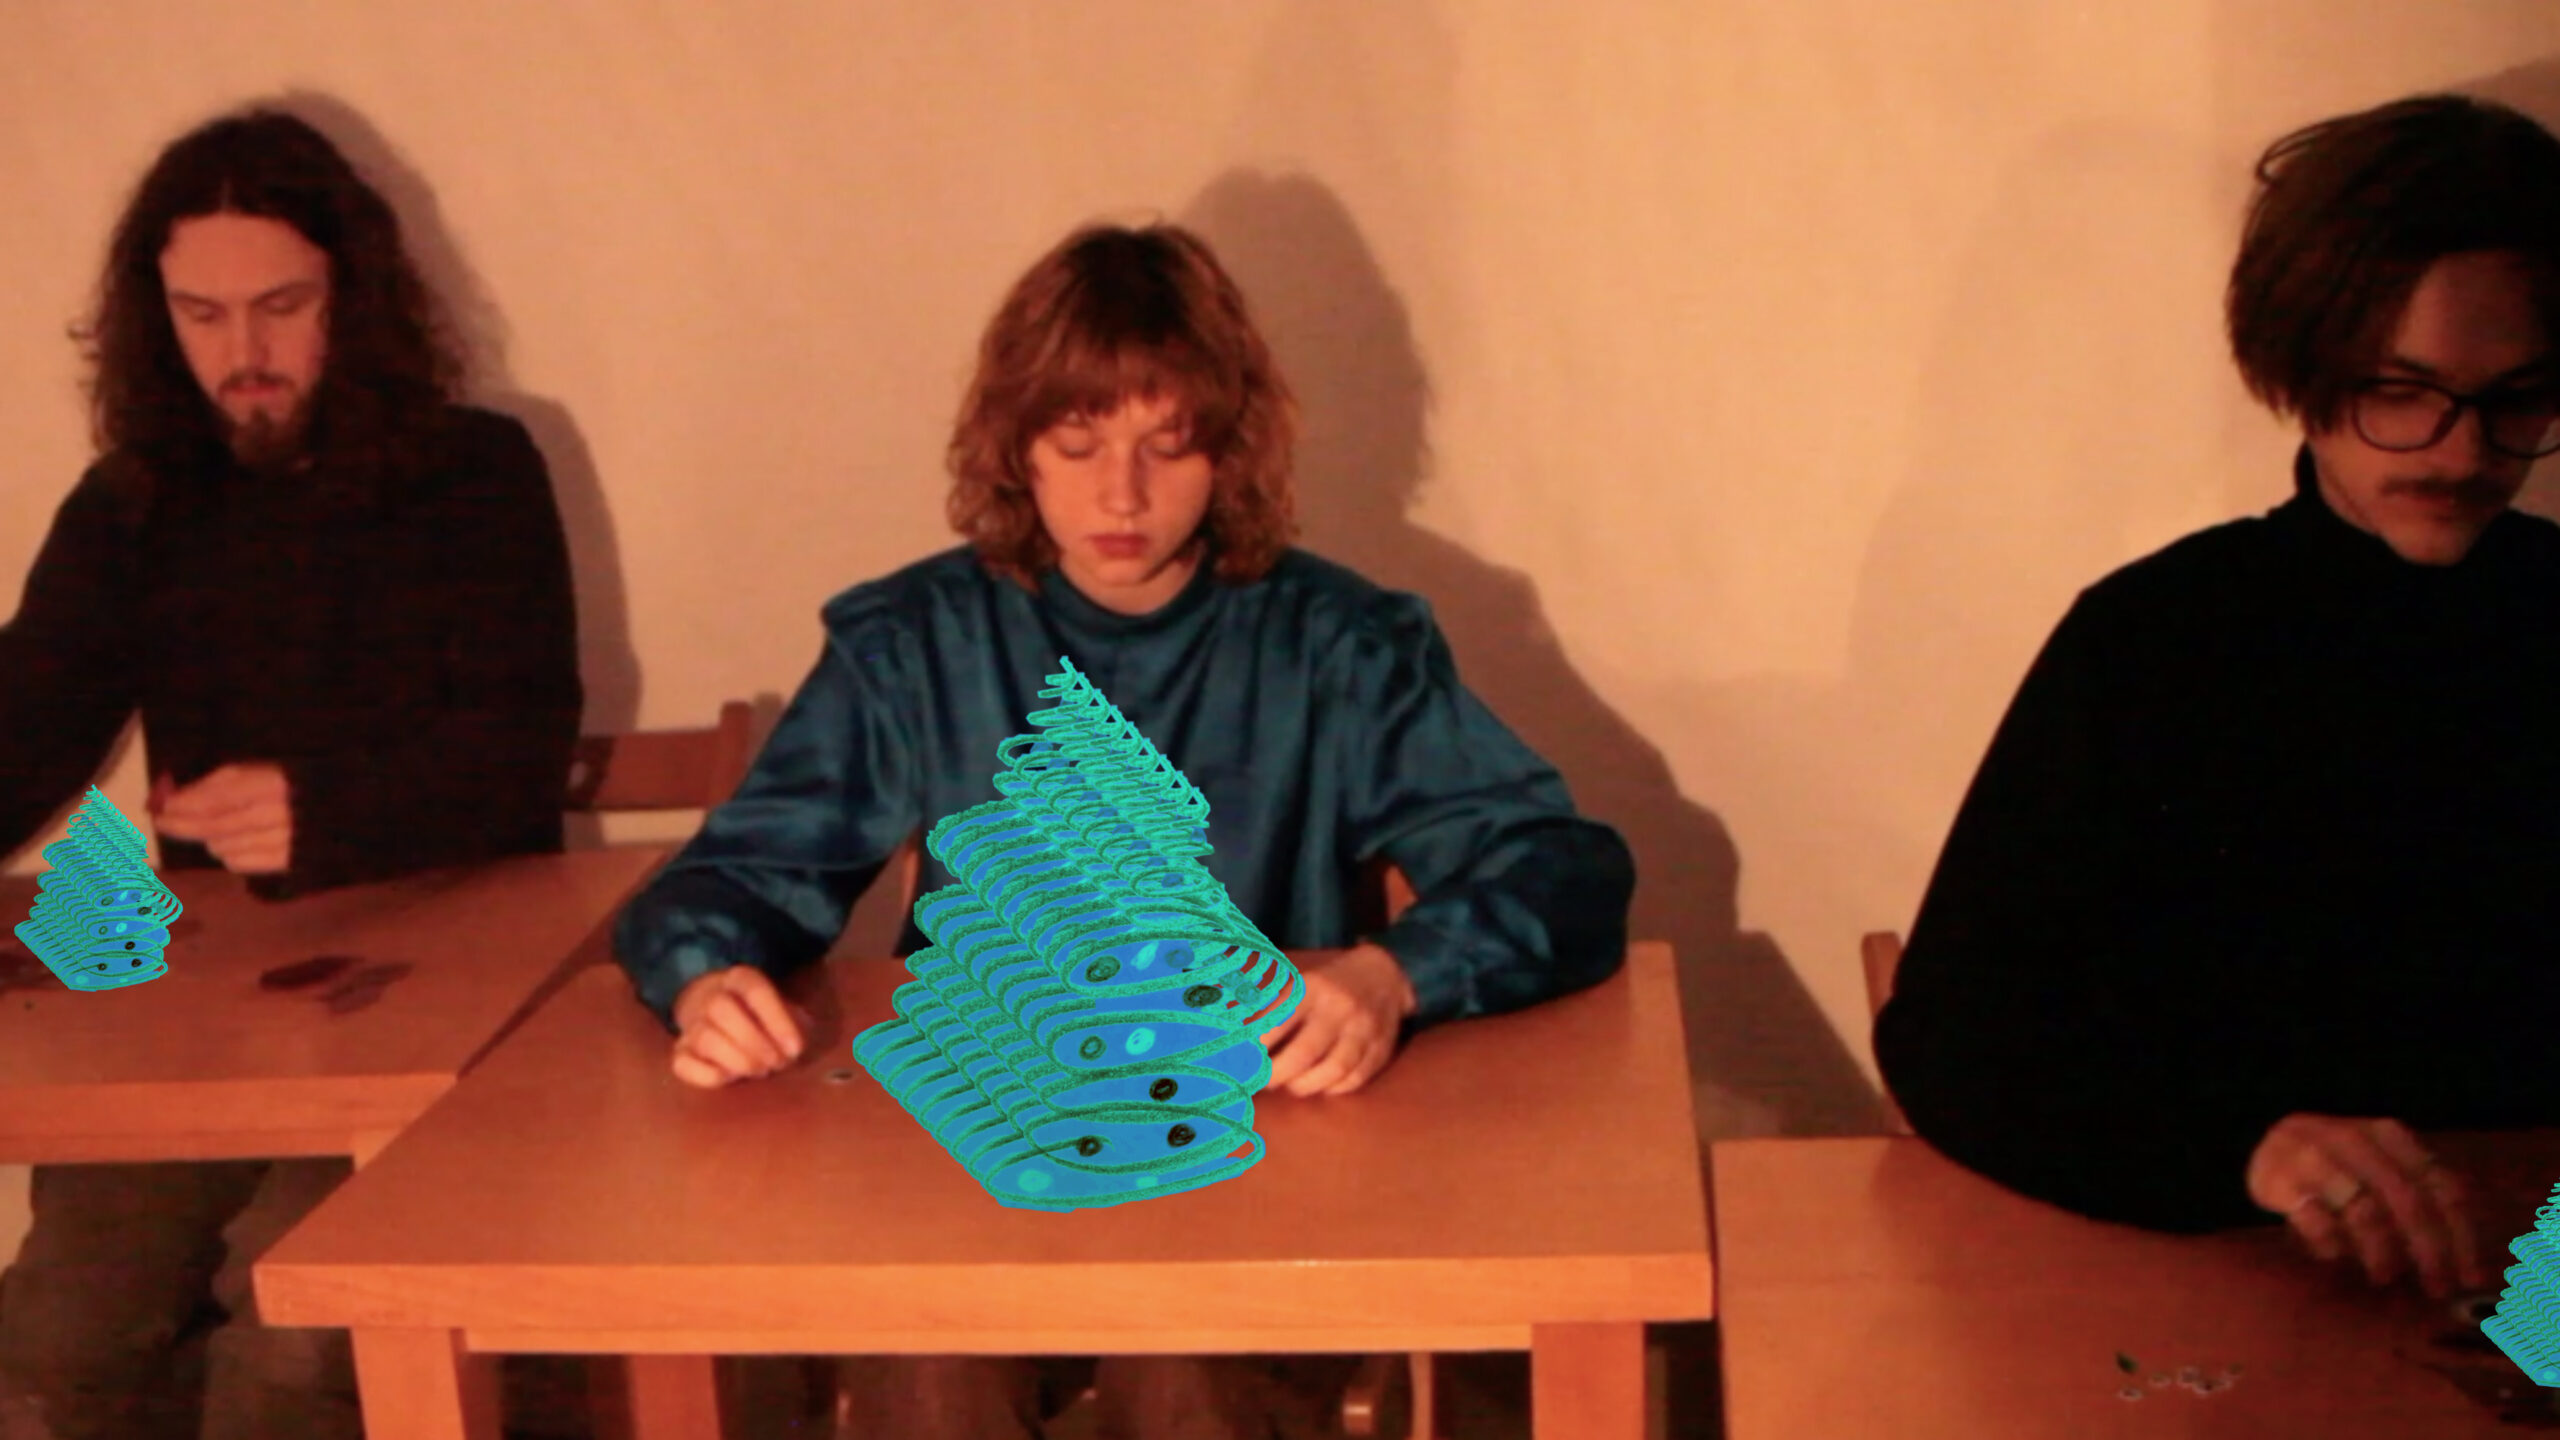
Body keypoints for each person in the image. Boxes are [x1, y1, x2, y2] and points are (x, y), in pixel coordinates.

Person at [611, 220, 1635, 1439]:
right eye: (1079, 443)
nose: (1121, 496)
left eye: (1168, 446)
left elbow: (1563, 867)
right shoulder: (918, 642)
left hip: (1251, 1156)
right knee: (931, 1373)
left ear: (1230, 451)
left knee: (1184, 1376)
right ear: (1017, 450)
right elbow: (734, 877)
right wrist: (707, 979)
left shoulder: (1337, 645)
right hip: (979, 1161)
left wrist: (1393, 975)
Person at [1875, 93, 2560, 1302]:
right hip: (2225, 1286)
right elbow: (1955, 1039)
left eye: (2515, 400)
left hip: (2526, 1282)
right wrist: (2239, 1148)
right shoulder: (2154, 640)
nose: (2460, 453)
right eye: (2397, 391)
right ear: (2301, 373)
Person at [0, 108, 582, 1439]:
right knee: (50, 1339)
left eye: (281, 307)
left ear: (351, 298)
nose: (243, 354)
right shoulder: (136, 500)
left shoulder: (478, 471)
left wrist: (326, 811)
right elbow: (24, 724)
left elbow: (520, 742)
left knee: (294, 1330)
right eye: (201, 315)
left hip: (454, 1009)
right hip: (215, 1018)